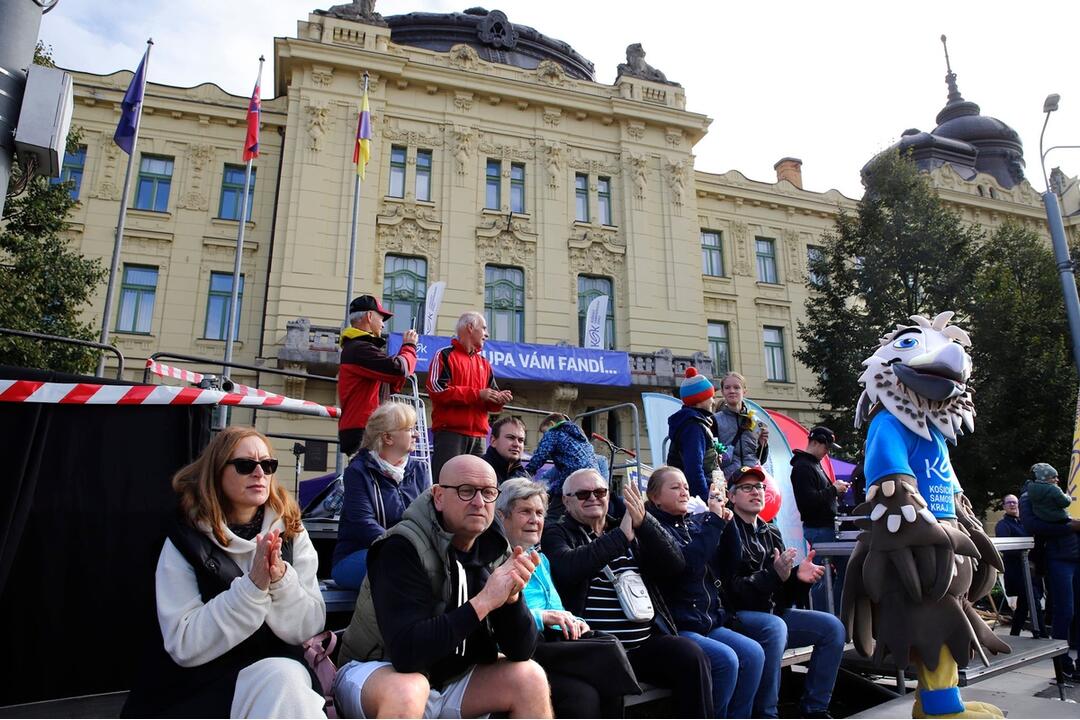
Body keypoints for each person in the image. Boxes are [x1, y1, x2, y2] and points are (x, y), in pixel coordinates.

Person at [122, 427, 326, 718]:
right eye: (245, 465)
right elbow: (184, 642)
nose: (259, 473)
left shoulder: (291, 531)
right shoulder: (185, 537)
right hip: (201, 687)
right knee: (284, 680)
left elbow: (308, 625)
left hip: (279, 673)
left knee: (285, 678)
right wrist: (253, 588)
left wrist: (281, 580)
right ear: (217, 473)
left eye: (268, 465)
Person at [334, 455, 552, 719]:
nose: (479, 502)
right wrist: (484, 601)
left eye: (488, 493)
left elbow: (521, 651)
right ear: (438, 496)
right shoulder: (401, 546)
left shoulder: (496, 548)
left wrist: (512, 600)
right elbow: (407, 654)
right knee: (409, 689)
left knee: (530, 677)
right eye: (466, 491)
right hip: (379, 670)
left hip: (452, 676)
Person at [542, 468, 714, 718]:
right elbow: (570, 568)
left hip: (642, 645)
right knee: (606, 680)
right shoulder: (558, 533)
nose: (593, 498)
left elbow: (675, 564)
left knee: (691, 655)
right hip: (595, 650)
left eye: (600, 492)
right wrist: (621, 537)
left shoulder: (627, 526)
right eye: (582, 494)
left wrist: (644, 522)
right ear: (566, 501)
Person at [496, 478, 639, 718]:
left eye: (540, 513)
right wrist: (543, 617)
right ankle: (625, 678)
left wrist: (572, 619)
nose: (535, 520)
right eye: (525, 512)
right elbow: (495, 619)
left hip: (551, 645)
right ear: (502, 516)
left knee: (598, 682)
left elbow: (557, 608)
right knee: (605, 658)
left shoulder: (541, 561)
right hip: (518, 649)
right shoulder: (494, 559)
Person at [725, 466, 844, 719]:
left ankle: (814, 709)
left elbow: (784, 595)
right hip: (737, 617)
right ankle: (767, 714)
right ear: (732, 496)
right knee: (774, 627)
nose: (756, 492)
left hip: (772, 613)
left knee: (832, 627)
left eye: (759, 487)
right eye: (747, 488)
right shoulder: (726, 531)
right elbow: (732, 592)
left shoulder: (770, 531)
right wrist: (773, 576)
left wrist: (799, 579)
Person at [646, 466, 763, 719]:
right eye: (675, 487)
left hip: (708, 620)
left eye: (686, 487)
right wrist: (714, 521)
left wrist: (727, 523)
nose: (684, 492)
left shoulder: (695, 523)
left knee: (753, 653)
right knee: (726, 660)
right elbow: (689, 564)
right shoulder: (654, 529)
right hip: (680, 624)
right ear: (655, 497)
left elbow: (732, 560)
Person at [331, 402, 430, 590]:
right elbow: (363, 524)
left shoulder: (420, 470)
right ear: (387, 438)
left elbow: (428, 517)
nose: (416, 434)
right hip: (357, 555)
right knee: (402, 566)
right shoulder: (358, 471)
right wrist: (404, 546)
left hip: (408, 552)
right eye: (410, 429)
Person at [427, 312, 511, 481]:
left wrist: (499, 400)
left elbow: (490, 400)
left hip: (479, 436)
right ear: (470, 328)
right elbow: (436, 390)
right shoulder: (444, 355)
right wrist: (478, 394)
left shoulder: (484, 363)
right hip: (450, 433)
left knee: (476, 485)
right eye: (484, 328)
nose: (487, 334)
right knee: (446, 483)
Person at [338, 294, 419, 457]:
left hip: (362, 427)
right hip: (364, 428)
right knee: (368, 478)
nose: (383, 324)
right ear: (369, 316)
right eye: (381, 318)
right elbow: (400, 369)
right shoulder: (359, 348)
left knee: (373, 477)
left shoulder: (357, 347)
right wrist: (409, 346)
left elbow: (393, 379)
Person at [1020, 478, 1080, 681]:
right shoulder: (1030, 496)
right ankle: (1062, 663)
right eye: (1051, 476)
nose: (1056, 479)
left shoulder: (1058, 494)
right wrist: (1070, 527)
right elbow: (1032, 525)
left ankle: (1075, 665)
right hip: (1059, 558)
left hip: (1073, 556)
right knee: (1066, 611)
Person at [791, 426, 849, 613]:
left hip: (824, 527)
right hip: (819, 528)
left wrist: (834, 492)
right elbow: (808, 501)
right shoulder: (802, 467)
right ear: (815, 442)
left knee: (831, 573)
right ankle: (830, 616)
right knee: (826, 575)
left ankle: (833, 615)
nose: (827, 452)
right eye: (826, 447)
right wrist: (834, 490)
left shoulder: (812, 464)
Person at [666, 368, 729, 503]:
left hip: (711, 492)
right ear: (701, 399)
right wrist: (706, 500)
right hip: (703, 499)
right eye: (710, 397)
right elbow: (694, 469)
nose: (713, 401)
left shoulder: (697, 423)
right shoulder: (693, 427)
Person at [526, 413, 602, 520]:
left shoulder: (553, 433)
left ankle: (547, 533)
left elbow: (541, 454)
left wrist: (528, 471)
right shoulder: (579, 435)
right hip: (593, 477)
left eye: (544, 432)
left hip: (574, 476)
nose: (544, 436)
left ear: (552, 424)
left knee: (552, 512)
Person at [994, 493, 1045, 638]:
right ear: (1004, 506)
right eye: (1009, 502)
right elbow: (1006, 548)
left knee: (1024, 605)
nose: (1012, 505)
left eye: (1015, 502)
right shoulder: (1003, 525)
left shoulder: (1025, 523)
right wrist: (1026, 549)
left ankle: (1014, 634)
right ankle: (1041, 634)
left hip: (1032, 570)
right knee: (1033, 601)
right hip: (1017, 571)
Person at [714, 372, 769, 481]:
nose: (732, 391)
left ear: (744, 391)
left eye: (736, 387)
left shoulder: (755, 420)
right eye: (727, 387)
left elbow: (760, 459)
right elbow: (712, 459)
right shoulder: (714, 420)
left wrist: (764, 444)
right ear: (723, 392)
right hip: (729, 481)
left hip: (752, 478)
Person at [482, 416, 531, 485]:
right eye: (510, 438)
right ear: (493, 441)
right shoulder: (478, 471)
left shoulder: (524, 476)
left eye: (521, 440)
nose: (516, 444)